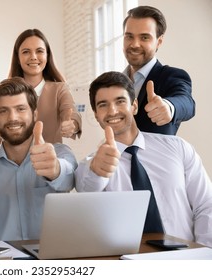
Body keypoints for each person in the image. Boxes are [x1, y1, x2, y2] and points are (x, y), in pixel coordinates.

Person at [74, 71, 212, 247]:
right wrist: (97, 170)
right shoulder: (93, 163)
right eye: (103, 105)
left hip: (185, 259)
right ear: (95, 115)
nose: (112, 111)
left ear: (134, 106)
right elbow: (87, 188)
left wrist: (204, 255)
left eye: (120, 101)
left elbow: (206, 205)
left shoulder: (178, 148)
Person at [0, 77, 77, 242]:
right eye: (4, 111)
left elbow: (70, 176)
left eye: (20, 109)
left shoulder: (59, 153)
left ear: (34, 114)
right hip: (2, 262)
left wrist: (56, 169)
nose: (12, 117)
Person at [0, 28, 82, 147]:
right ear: (18, 58)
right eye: (26, 52)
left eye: (39, 51)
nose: (33, 57)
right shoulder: (5, 92)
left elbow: (70, 111)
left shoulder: (59, 89)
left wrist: (72, 124)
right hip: (12, 164)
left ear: (47, 55)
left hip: (48, 160)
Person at [122, 5, 195, 135]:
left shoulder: (172, 76)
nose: (134, 44)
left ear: (159, 41)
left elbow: (186, 102)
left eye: (144, 37)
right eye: (129, 36)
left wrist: (168, 106)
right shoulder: (115, 82)